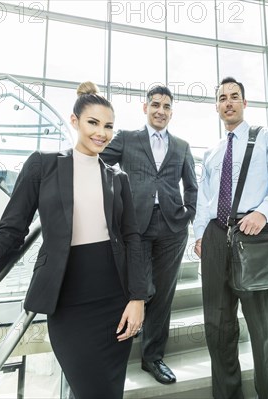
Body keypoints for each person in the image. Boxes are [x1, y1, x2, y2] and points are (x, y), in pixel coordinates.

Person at [0, 82, 148, 399]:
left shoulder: (118, 178)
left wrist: (138, 298)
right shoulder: (43, 166)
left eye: (108, 126)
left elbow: (132, 238)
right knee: (90, 387)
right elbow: (10, 232)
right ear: (74, 122)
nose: (101, 133)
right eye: (93, 123)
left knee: (109, 390)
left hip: (114, 300)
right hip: (68, 303)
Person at [193, 77, 268, 399]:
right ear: (218, 106)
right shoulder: (212, 152)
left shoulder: (265, 137)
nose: (228, 102)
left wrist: (263, 212)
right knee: (217, 327)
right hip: (216, 237)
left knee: (265, 330)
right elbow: (204, 198)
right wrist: (200, 235)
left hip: (256, 236)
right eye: (222, 98)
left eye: (235, 97)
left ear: (244, 103)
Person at [101, 85, 198, 384]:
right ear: (145, 108)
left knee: (164, 294)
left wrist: (187, 214)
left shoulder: (181, 145)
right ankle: (113, 353)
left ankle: (153, 358)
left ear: (171, 111)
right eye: (155, 104)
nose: (160, 110)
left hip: (172, 227)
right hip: (135, 226)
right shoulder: (128, 139)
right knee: (140, 289)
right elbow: (98, 161)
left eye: (166, 106)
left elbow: (192, 185)